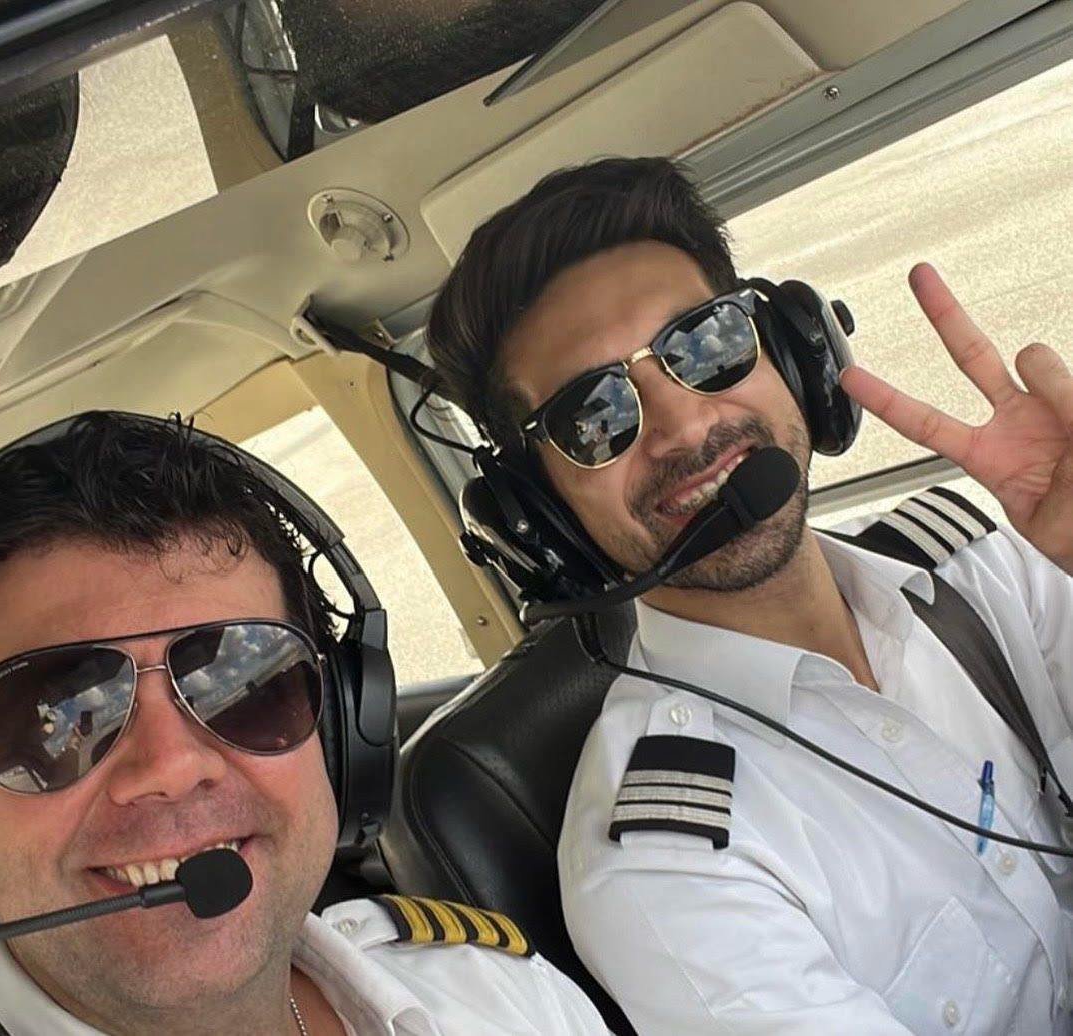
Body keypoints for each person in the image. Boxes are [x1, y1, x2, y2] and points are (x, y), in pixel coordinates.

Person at [426, 156, 1073, 1034]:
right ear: (539, 517)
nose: (686, 425)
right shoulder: (666, 866)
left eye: (706, 345)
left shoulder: (981, 563)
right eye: (595, 414)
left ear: (794, 354)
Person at [0, 411, 609, 1035]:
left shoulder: (501, 994)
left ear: (342, 736)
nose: (172, 767)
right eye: (49, 717)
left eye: (245, 684)